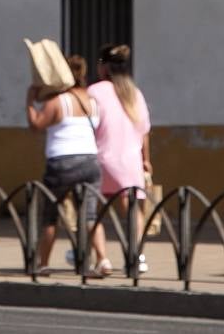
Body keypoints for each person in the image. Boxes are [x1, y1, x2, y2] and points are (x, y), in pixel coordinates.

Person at [25, 54, 110, 276]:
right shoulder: (92, 102)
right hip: (90, 160)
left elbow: (36, 125)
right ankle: (103, 260)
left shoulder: (57, 102)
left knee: (50, 215)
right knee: (90, 214)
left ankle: (43, 264)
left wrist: (29, 102)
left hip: (61, 162)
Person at [88, 43, 152, 274]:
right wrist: (146, 159)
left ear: (103, 67)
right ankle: (137, 255)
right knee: (132, 208)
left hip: (101, 160)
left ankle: (102, 259)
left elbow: (89, 126)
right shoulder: (134, 93)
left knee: (91, 210)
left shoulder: (94, 92)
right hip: (131, 162)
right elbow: (144, 131)